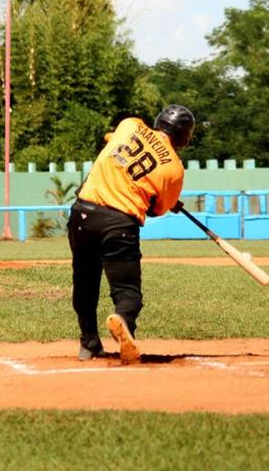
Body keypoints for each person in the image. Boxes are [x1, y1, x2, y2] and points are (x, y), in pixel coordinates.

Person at [68, 105, 194, 365]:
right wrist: (165, 198)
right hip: (119, 224)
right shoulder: (174, 170)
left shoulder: (129, 125)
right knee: (127, 291)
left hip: (83, 214)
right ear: (183, 136)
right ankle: (124, 323)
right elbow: (157, 209)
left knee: (85, 282)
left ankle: (88, 343)